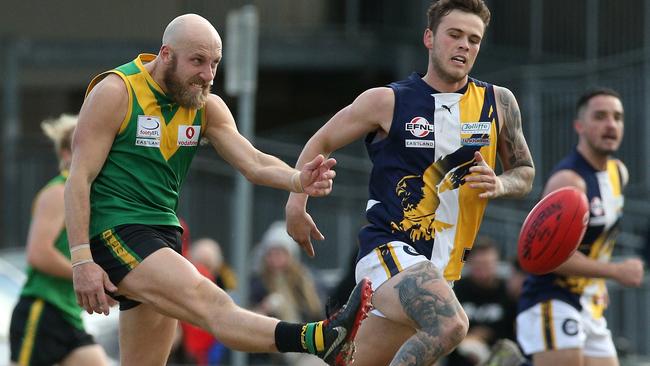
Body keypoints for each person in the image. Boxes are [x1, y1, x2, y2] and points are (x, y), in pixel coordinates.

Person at [63, 13, 372, 366]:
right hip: (117, 230)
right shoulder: (117, 91)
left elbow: (253, 161)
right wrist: (82, 260)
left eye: (214, 64)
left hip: (164, 233)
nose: (208, 75)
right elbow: (78, 178)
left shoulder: (205, 105)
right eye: (197, 61)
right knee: (211, 304)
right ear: (165, 54)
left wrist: (298, 179)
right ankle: (318, 337)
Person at [285, 0, 535, 364]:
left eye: (474, 39)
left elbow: (524, 172)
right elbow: (321, 141)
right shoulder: (387, 100)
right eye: (455, 35)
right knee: (451, 326)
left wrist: (500, 184)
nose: (464, 45)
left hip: (442, 268)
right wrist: (296, 204)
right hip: (388, 252)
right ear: (429, 38)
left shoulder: (499, 103)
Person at [516, 88, 645, 366]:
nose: (611, 124)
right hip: (552, 298)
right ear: (579, 126)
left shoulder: (618, 172)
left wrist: (597, 279)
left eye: (617, 117)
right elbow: (547, 257)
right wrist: (614, 272)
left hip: (589, 302)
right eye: (600, 116)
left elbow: (597, 241)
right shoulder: (569, 180)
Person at [9, 114, 110, 366]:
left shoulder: (90, 197)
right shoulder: (58, 192)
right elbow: (38, 254)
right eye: (83, 146)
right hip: (42, 310)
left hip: (68, 315)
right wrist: (86, 275)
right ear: (66, 154)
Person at [249, 221, 326, 365]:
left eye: (280, 253)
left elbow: (317, 313)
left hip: (307, 345)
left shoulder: (305, 280)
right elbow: (247, 320)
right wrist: (264, 308)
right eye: (271, 253)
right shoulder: (258, 283)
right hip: (274, 350)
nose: (275, 258)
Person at [446, 237, 518, 366]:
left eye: (487, 264)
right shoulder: (456, 290)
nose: (483, 269)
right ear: (469, 264)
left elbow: (514, 331)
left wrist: (488, 335)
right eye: (478, 264)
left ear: (496, 263)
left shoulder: (507, 292)